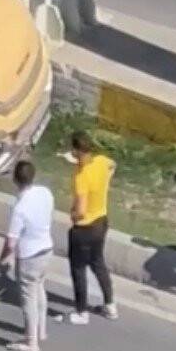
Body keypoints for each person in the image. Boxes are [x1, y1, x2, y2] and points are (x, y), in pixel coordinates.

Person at [0, 160, 54, 351]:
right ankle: (41, 330)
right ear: (33, 176)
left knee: (28, 298)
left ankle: (31, 342)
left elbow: (11, 242)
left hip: (29, 256)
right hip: (46, 249)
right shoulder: (45, 193)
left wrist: (3, 258)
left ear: (15, 180)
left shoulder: (19, 207)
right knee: (39, 289)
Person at [68, 131, 118, 324]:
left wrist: (73, 214)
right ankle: (110, 305)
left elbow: (80, 211)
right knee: (98, 263)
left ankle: (81, 311)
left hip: (84, 228)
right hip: (101, 222)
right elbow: (113, 165)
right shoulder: (102, 161)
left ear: (76, 151)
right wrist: (106, 182)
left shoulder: (81, 176)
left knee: (78, 269)